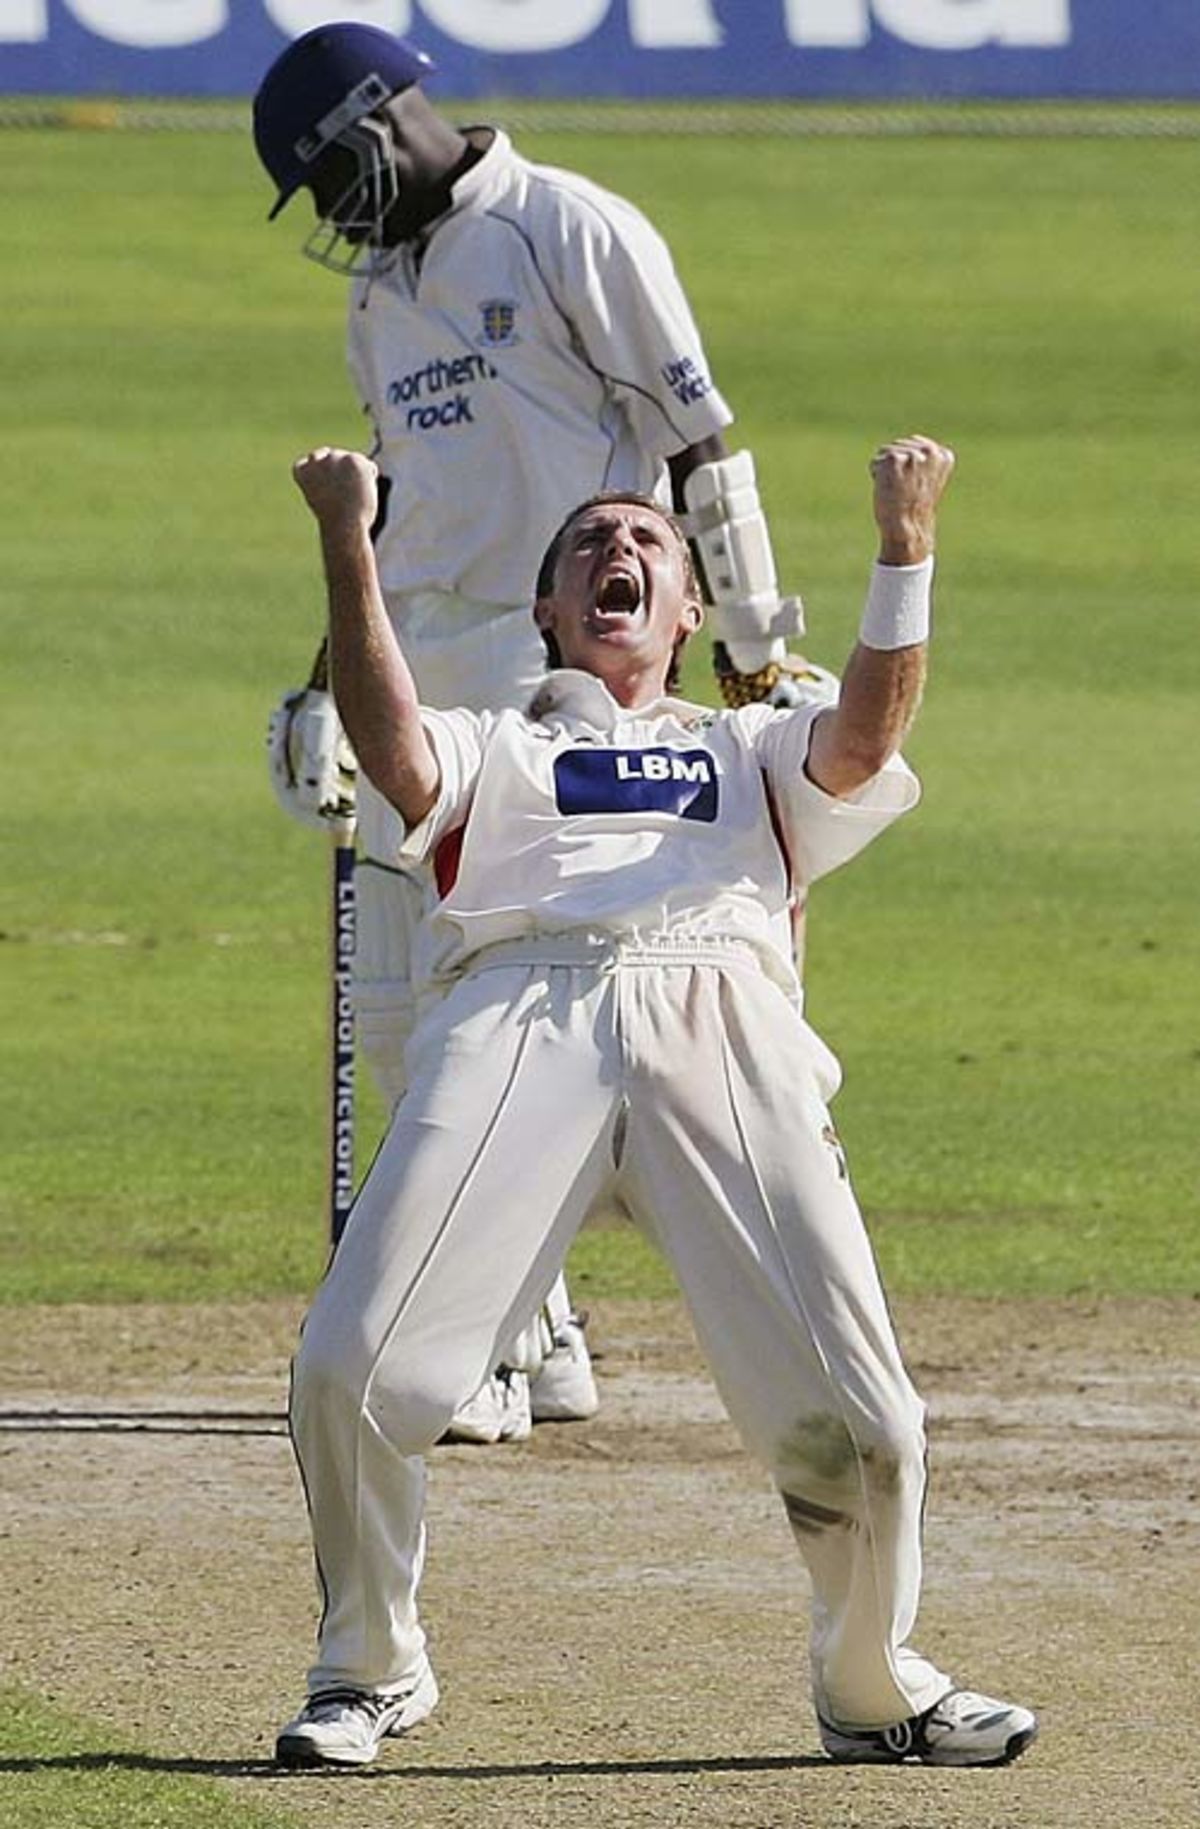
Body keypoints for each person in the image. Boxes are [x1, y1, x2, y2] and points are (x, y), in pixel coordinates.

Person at [271, 429, 1040, 1773]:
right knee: (352, 1368)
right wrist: (349, 538)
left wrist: (904, 543)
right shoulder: (495, 742)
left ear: (688, 613)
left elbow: (863, 739)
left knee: (870, 1423)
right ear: (551, 612)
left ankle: (873, 1681)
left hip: (724, 1017)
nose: (617, 554)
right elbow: (396, 758)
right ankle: (369, 1667)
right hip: (521, 1003)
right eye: (588, 549)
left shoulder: (750, 745)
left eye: (648, 546)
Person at [253, 20, 835, 1443]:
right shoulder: (380, 297)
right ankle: (538, 1317)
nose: (335, 221)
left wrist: (752, 645)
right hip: (421, 688)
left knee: (511, 1014)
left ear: (382, 122)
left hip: (554, 677)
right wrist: (328, 678)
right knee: (401, 1017)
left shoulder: (570, 227)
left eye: (329, 182)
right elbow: (392, 505)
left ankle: (488, 1339)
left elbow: (700, 443)